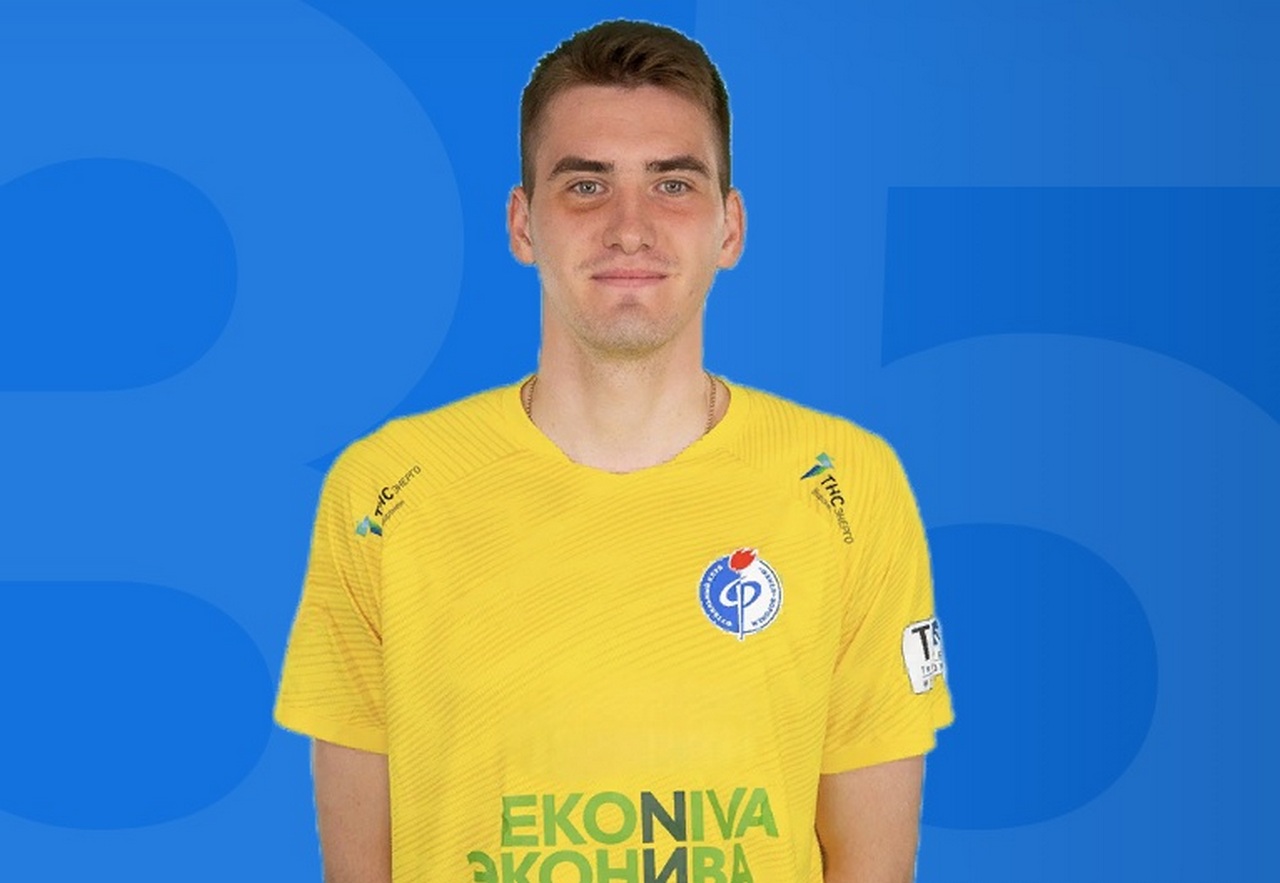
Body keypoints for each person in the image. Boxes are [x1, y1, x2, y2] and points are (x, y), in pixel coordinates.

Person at [274, 18, 953, 883]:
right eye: (587, 185)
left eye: (673, 184)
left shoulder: (846, 486)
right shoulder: (384, 492)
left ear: (730, 228)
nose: (630, 227)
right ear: (523, 224)